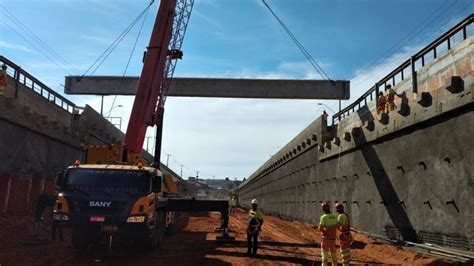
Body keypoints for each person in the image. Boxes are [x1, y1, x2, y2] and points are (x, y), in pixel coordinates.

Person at [318, 202, 338, 266]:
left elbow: (320, 228)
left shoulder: (323, 217)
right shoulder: (335, 216)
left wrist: (325, 233)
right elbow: (337, 226)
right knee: (334, 258)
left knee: (325, 258)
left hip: (326, 239)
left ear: (323, 209)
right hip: (333, 239)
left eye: (322, 207)